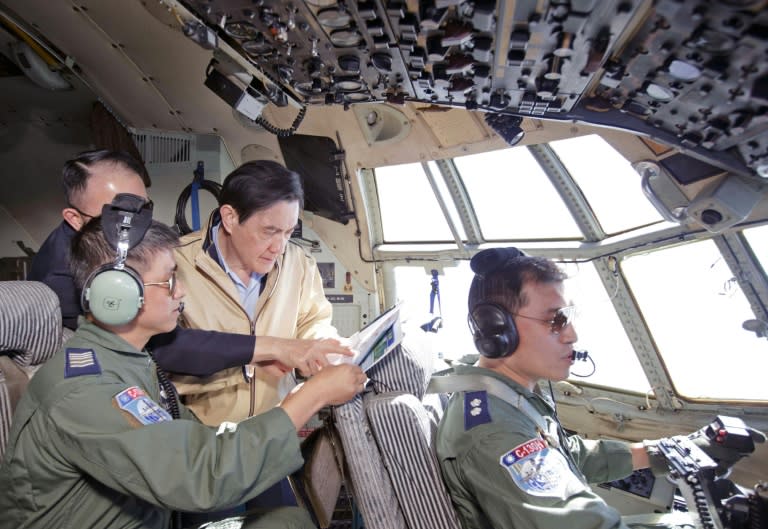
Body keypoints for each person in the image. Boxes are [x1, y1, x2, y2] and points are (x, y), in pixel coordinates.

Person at [0, 204, 367, 529]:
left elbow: (197, 443)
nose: (181, 292)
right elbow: (200, 478)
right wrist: (313, 395)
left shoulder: (131, 362)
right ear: (119, 296)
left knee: (289, 520)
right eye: (169, 279)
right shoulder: (84, 389)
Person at [435, 247, 765, 529]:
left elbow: (567, 456)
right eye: (556, 319)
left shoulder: (506, 395)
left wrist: (661, 451)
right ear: (497, 330)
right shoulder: (495, 432)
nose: (571, 335)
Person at [27, 149, 351, 380]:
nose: (139, 228)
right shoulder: (63, 280)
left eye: (144, 210)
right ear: (74, 218)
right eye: (121, 217)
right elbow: (161, 347)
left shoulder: (298, 264)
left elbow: (312, 320)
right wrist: (274, 348)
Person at [172, 160, 344, 425]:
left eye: (288, 232)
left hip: (277, 435)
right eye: (269, 231)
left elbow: (312, 320)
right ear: (230, 218)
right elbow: (166, 360)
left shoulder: (298, 262)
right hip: (205, 440)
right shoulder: (176, 264)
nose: (279, 247)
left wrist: (323, 348)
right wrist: (254, 361)